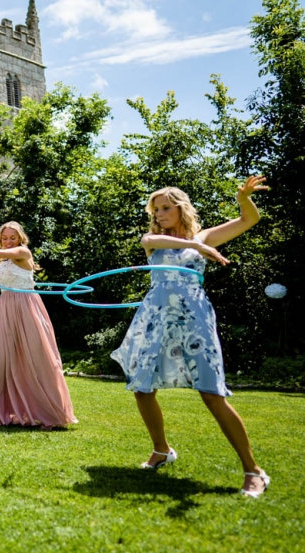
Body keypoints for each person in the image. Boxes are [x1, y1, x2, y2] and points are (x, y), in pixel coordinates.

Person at [111, 177, 271, 497]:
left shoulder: (205, 236)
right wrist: (196, 246)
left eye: (165, 208)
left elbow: (250, 220)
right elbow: (156, 240)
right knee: (142, 389)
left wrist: (243, 198)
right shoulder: (152, 239)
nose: (158, 214)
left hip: (194, 318)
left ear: (181, 209)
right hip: (156, 318)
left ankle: (253, 470)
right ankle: (161, 450)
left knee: (211, 393)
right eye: (155, 209)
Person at [0, 222, 76, 428]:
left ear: (21, 239)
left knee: (35, 357)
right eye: (5, 237)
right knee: (3, 357)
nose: (7, 241)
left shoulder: (22, 252)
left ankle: (50, 412)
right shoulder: (7, 251)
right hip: (6, 307)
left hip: (26, 307)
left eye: (12, 237)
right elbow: (1, 246)